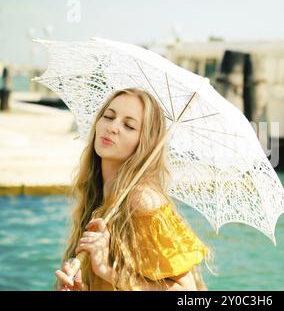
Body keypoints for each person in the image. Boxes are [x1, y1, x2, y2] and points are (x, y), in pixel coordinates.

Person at [54, 88, 214, 291]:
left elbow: (187, 292)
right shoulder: (95, 194)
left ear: (144, 142)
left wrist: (106, 270)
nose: (112, 127)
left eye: (129, 126)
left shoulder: (142, 201)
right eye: (108, 116)